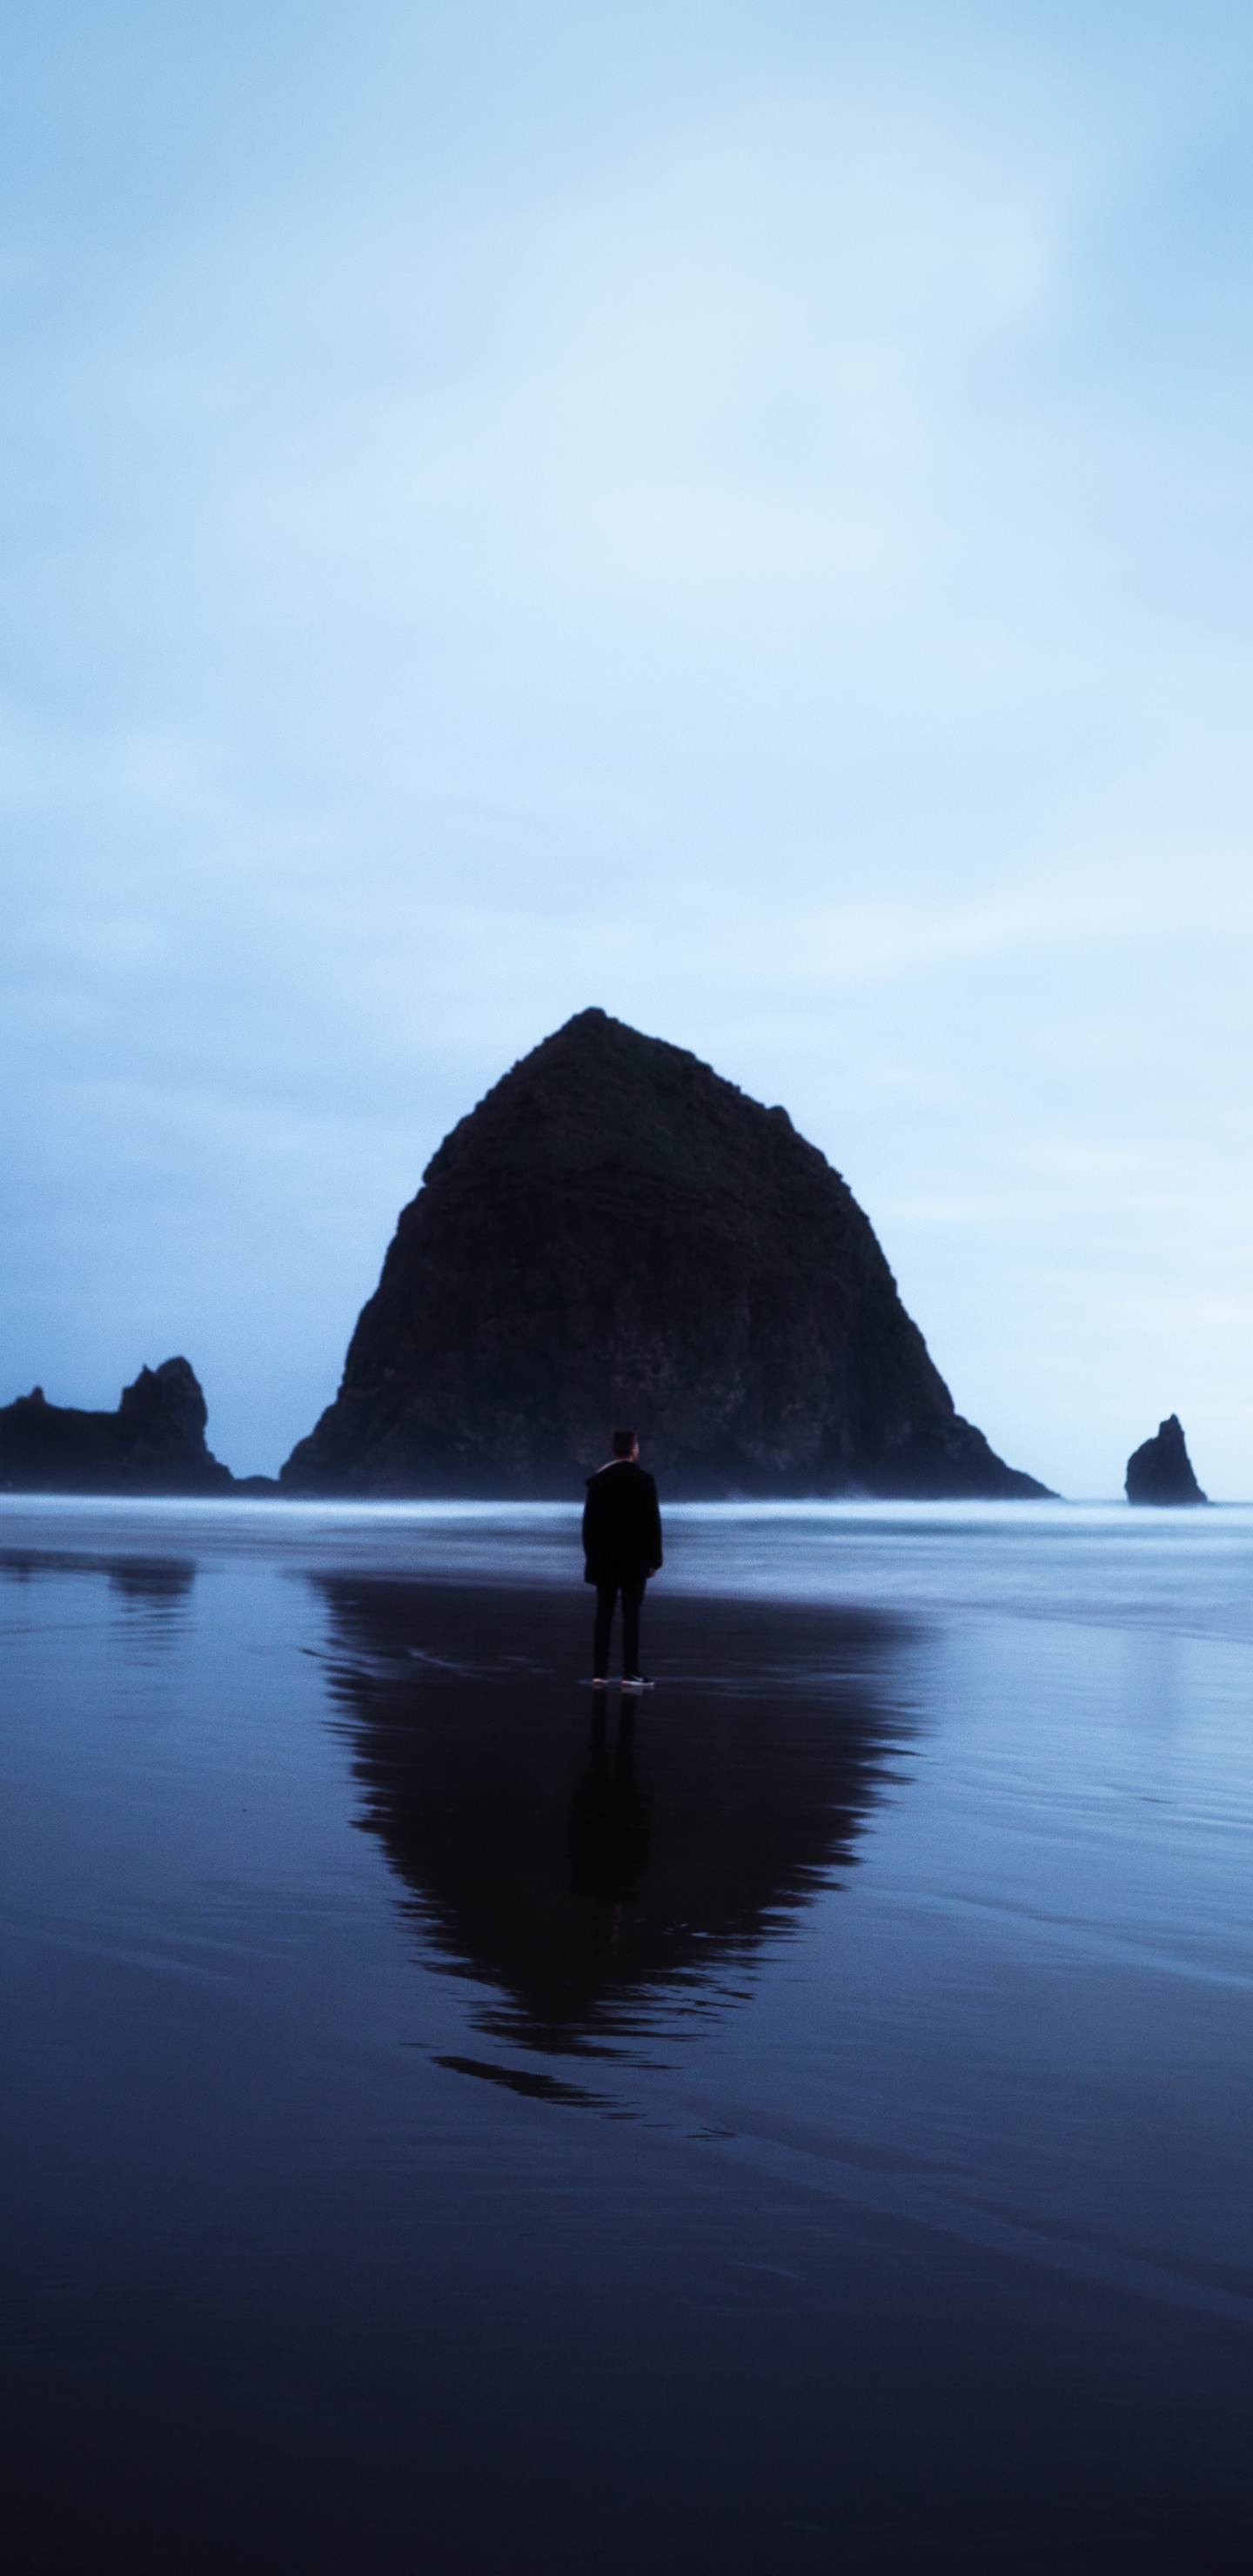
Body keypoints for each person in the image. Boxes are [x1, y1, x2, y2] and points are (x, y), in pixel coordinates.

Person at [582, 1429, 663, 1687]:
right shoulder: (644, 1480)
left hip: (604, 1559)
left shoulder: (598, 1481)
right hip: (634, 1559)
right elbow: (653, 1523)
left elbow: (588, 1525)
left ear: (613, 1449)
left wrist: (591, 1557)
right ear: (633, 1450)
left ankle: (600, 1672)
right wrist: (655, 1560)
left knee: (603, 1613)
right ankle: (630, 1673)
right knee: (631, 1614)